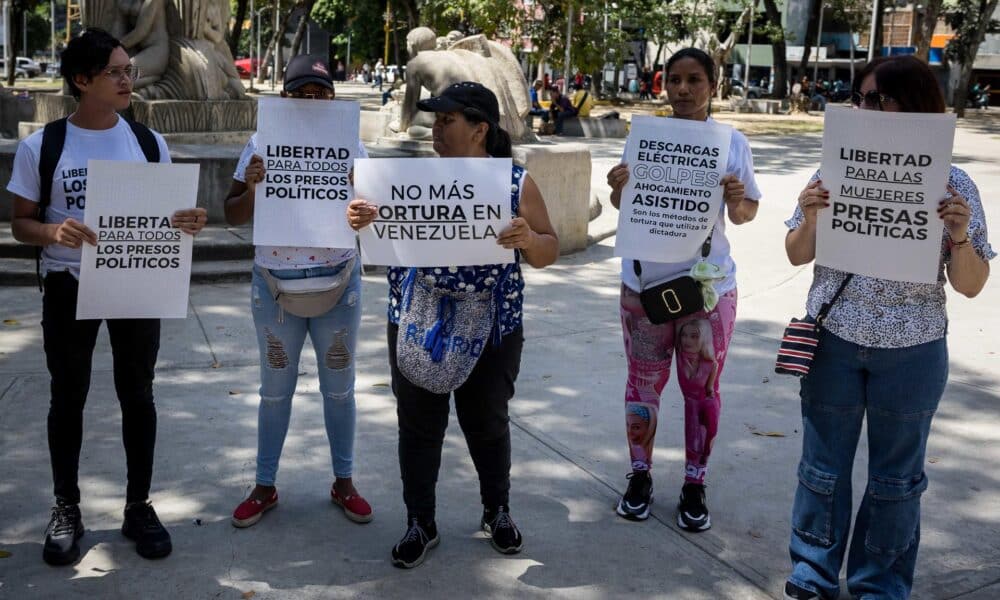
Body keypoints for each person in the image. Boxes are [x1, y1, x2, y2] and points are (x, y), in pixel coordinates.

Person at [782, 55, 993, 600]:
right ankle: (812, 574)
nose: (864, 108)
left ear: (916, 104)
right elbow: (794, 254)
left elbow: (970, 285)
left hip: (914, 352)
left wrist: (961, 234)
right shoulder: (832, 170)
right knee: (821, 469)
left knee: (896, 482)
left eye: (878, 99)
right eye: (861, 97)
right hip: (834, 345)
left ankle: (880, 584)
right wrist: (809, 219)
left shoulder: (956, 185)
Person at [6, 28, 207, 565]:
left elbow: (166, 216)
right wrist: (53, 233)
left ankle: (138, 506)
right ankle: (66, 507)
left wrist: (187, 220)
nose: (127, 79)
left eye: (129, 70)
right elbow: (21, 223)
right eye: (115, 72)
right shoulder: (42, 146)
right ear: (82, 81)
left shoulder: (147, 142)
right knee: (67, 397)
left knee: (138, 394)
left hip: (136, 281)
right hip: (69, 286)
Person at [347, 81, 559, 569]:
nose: (436, 128)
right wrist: (359, 217)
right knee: (418, 426)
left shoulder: (514, 184)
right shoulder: (405, 183)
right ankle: (420, 521)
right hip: (417, 318)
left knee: (487, 422)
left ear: (480, 129)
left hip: (492, 324)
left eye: (447, 120)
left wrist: (529, 238)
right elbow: (372, 230)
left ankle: (497, 511)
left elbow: (550, 249)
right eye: (435, 120)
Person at [606, 47, 761, 528]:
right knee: (642, 387)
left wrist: (737, 199)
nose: (683, 90)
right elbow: (623, 204)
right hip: (642, 286)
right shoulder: (644, 137)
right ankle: (639, 475)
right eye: (674, 80)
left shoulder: (731, 142)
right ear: (663, 85)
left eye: (695, 80)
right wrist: (617, 186)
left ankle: (695, 481)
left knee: (702, 391)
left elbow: (745, 213)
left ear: (713, 86)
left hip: (706, 289)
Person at [222, 55, 373, 529]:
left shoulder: (352, 147)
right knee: (274, 391)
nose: (312, 101)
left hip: (339, 285)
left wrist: (361, 211)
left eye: (321, 93)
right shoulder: (259, 145)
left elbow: (372, 218)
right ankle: (265, 485)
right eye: (302, 93)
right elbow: (232, 215)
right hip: (275, 290)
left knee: (339, 391)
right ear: (285, 97)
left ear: (332, 98)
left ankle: (344, 481)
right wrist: (251, 186)